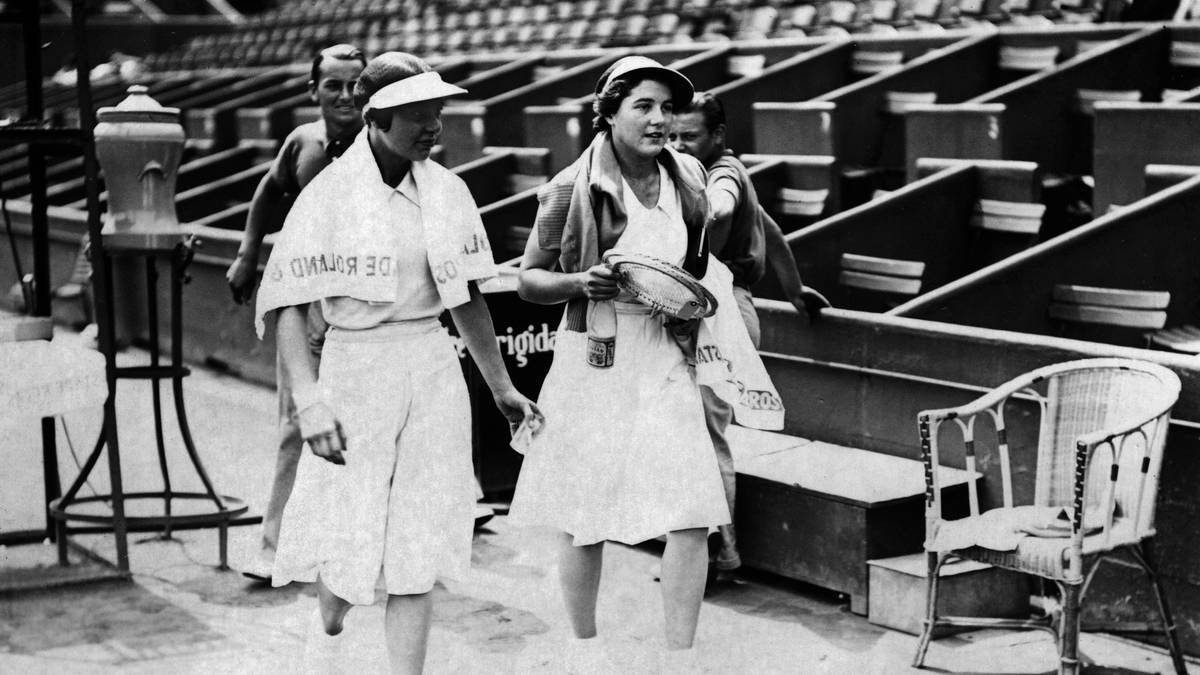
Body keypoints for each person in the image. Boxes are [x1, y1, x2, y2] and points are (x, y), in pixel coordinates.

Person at [252, 51, 541, 674]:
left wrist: (502, 388)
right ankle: (325, 630)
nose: (436, 126)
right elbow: (288, 307)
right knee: (349, 546)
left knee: (419, 543)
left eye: (439, 111)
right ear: (377, 117)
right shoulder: (329, 194)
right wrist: (309, 401)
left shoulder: (448, 190)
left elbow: (465, 298)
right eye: (419, 114)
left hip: (433, 367)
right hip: (356, 368)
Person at [509, 56, 784, 673]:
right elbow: (527, 280)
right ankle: (585, 652)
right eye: (644, 107)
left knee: (691, 513)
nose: (660, 120)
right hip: (595, 359)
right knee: (585, 518)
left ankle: (680, 659)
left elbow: (710, 253)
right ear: (607, 114)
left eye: (668, 108)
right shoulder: (567, 187)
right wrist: (583, 281)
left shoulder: (688, 174)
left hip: (667, 355)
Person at [668, 91, 830, 583]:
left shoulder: (721, 174)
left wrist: (703, 214)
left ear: (718, 136)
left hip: (723, 312)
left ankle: (719, 556)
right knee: (689, 429)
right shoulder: (692, 170)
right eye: (671, 136)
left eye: (689, 136)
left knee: (705, 433)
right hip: (707, 304)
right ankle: (701, 546)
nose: (677, 144)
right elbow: (769, 227)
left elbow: (723, 206)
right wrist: (796, 288)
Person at [227, 44, 366, 581]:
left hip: (364, 307)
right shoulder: (303, 142)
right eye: (332, 84)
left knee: (374, 420)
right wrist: (246, 252)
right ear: (313, 91)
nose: (345, 95)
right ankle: (274, 547)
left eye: (355, 83)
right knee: (296, 422)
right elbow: (269, 188)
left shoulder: (386, 147)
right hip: (307, 300)